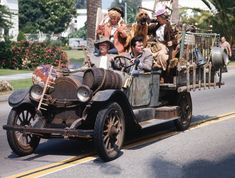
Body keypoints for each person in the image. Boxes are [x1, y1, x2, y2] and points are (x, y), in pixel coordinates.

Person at [148, 6, 177, 71]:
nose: (157, 19)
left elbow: (175, 40)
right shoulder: (155, 26)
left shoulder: (169, 27)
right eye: (157, 18)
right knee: (147, 53)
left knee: (161, 55)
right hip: (155, 45)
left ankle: (161, 71)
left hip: (164, 45)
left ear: (163, 17)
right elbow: (147, 30)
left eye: (158, 18)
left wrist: (171, 42)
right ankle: (152, 68)